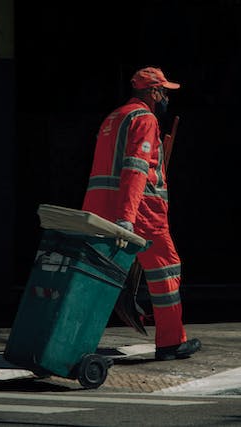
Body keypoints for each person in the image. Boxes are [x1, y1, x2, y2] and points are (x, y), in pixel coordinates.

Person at [82, 66, 201, 361]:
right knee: (166, 271)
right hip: (142, 214)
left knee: (94, 277)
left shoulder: (115, 116)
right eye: (163, 92)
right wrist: (128, 216)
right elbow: (135, 168)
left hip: (99, 209)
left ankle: (75, 339)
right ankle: (171, 342)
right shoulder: (144, 118)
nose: (165, 98)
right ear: (152, 92)